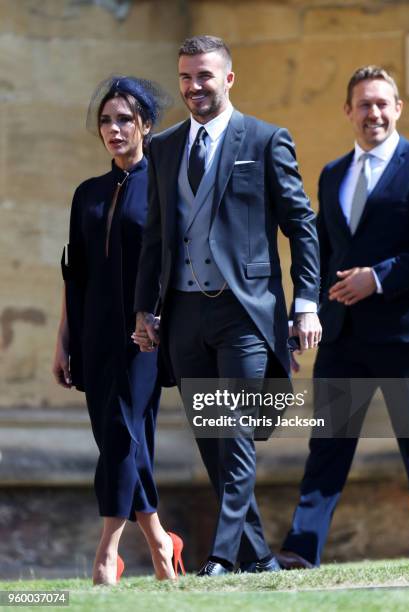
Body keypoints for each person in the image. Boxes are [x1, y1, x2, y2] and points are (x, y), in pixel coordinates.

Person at [133, 35, 321, 576]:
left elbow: (301, 228)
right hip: (184, 315)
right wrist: (145, 310)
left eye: (205, 77)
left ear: (228, 79)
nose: (194, 87)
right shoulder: (164, 147)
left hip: (245, 312)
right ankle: (258, 556)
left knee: (235, 429)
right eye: (186, 78)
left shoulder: (264, 140)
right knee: (212, 439)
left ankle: (221, 556)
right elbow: (156, 237)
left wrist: (305, 304)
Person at [279, 66, 409, 570]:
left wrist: (379, 277)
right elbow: (323, 255)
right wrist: (306, 312)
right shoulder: (332, 174)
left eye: (383, 103)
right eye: (364, 104)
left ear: (398, 108)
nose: (375, 113)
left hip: (405, 334)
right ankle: (302, 551)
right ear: (348, 111)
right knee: (328, 448)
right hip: (343, 336)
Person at [52, 75, 185, 584]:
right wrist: (64, 340)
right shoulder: (86, 193)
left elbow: (177, 264)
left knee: (123, 434)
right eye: (107, 121)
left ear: (146, 126)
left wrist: (158, 318)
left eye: (125, 119)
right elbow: (75, 274)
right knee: (121, 441)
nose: (114, 129)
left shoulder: (165, 187)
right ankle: (159, 541)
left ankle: (107, 552)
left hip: (144, 336)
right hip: (93, 336)